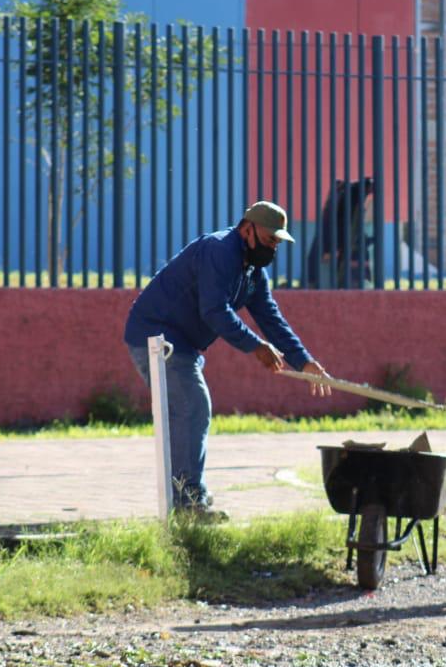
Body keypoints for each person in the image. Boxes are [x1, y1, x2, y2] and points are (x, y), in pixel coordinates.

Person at [123, 201, 330, 519]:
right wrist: (255, 346)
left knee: (190, 411)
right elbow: (214, 310)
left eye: (278, 241)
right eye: (270, 238)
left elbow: (270, 318)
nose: (274, 246)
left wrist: (304, 361)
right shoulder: (219, 250)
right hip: (156, 336)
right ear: (247, 228)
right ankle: (187, 504)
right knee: (193, 408)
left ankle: (186, 501)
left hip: (183, 345)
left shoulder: (253, 271)